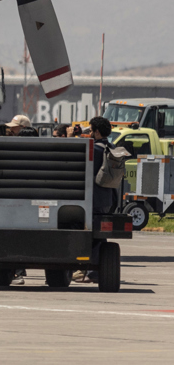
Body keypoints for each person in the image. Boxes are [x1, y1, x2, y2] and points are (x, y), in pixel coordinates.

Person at [81, 116, 119, 283]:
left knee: (93, 236)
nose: (89, 133)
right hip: (108, 199)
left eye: (90, 130)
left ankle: (92, 271)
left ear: (96, 132)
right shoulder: (112, 148)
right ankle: (95, 270)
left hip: (93, 200)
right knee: (100, 234)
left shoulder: (94, 150)